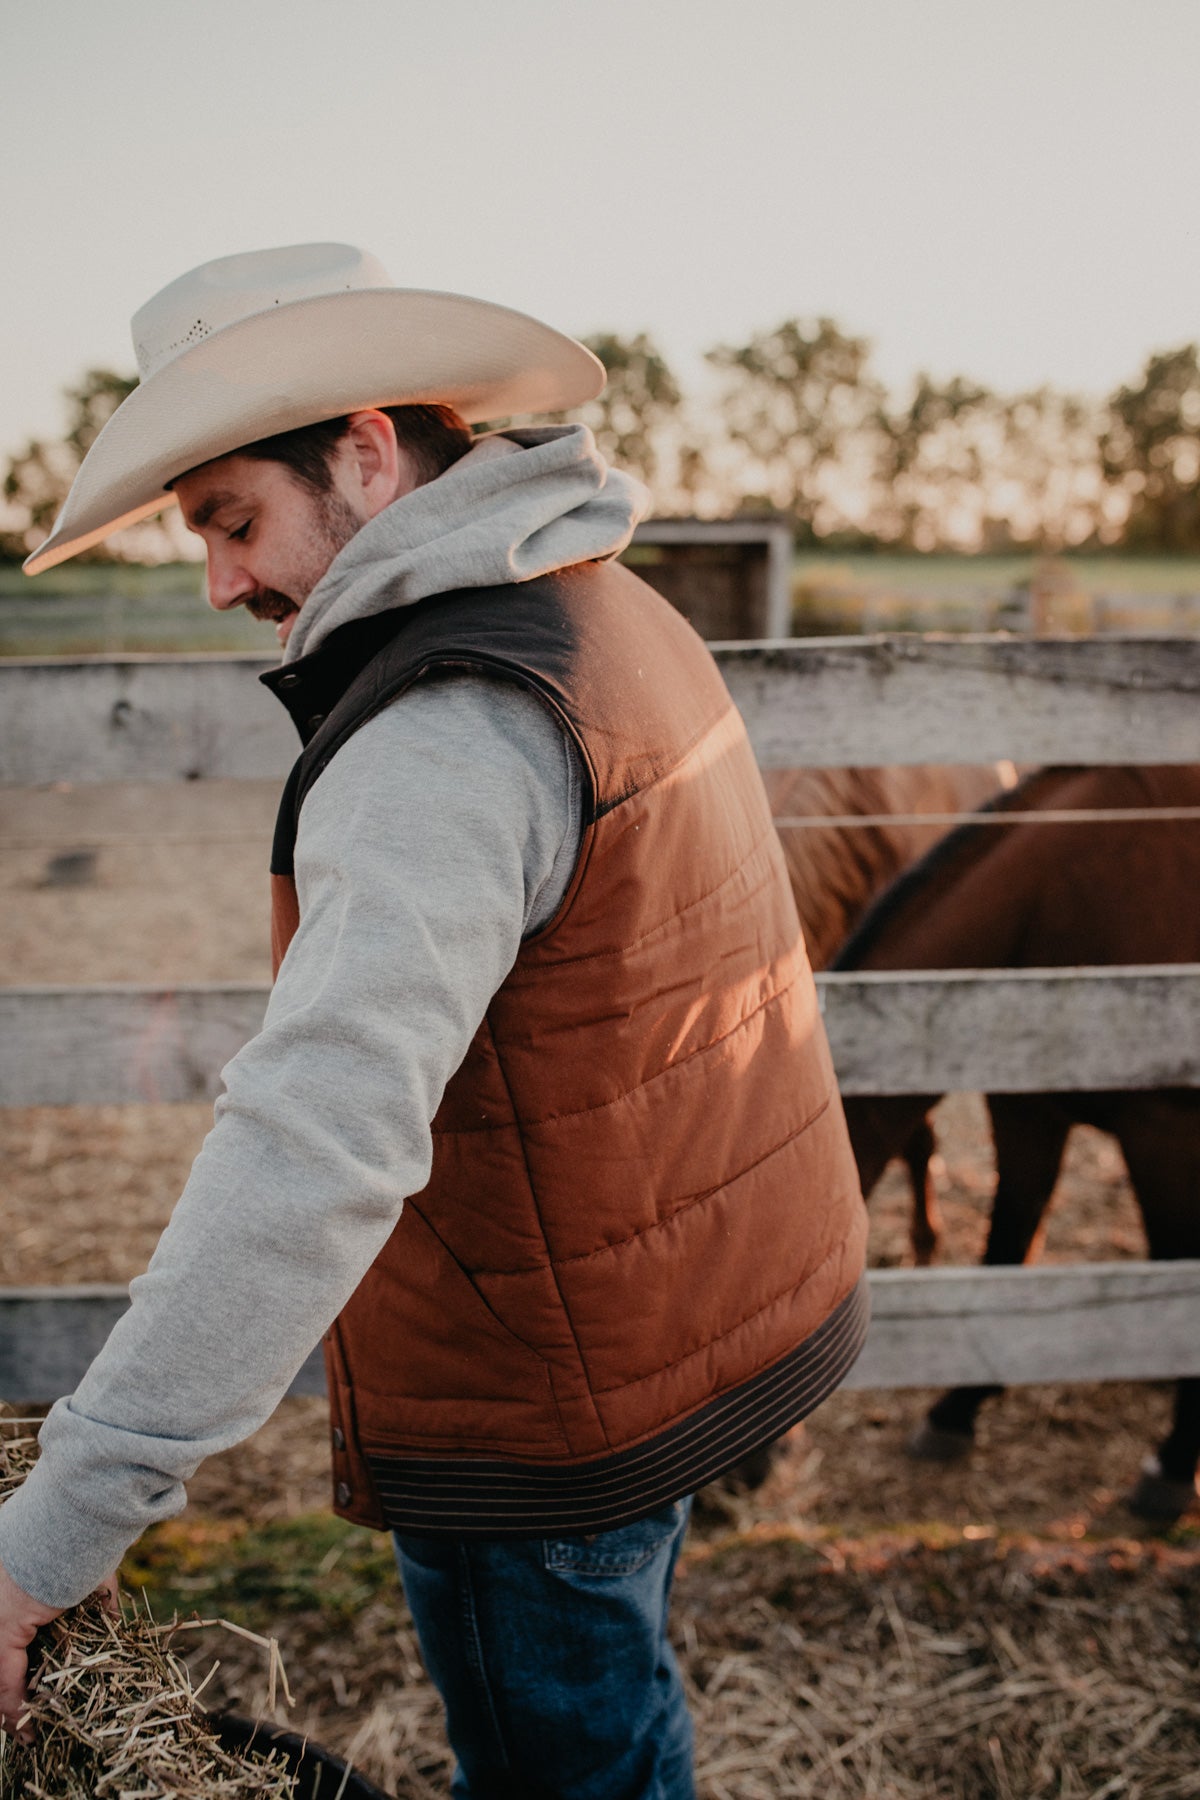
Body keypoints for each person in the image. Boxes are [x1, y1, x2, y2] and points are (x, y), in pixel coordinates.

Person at [0, 243, 869, 1798]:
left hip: (542, 1402)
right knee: (599, 1725)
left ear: (367, 451)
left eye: (234, 522)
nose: (222, 585)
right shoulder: (600, 605)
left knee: (562, 1766)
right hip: (656, 1321)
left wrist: (48, 1541)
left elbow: (311, 1152)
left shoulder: (451, 727)